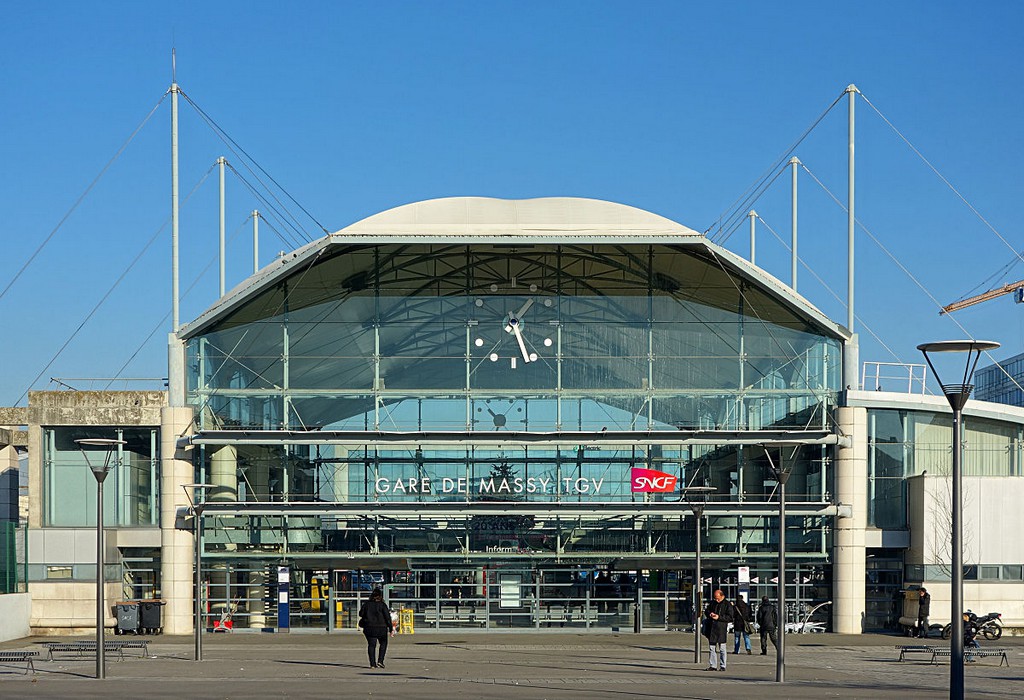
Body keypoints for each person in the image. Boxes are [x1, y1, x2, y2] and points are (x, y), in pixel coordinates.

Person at [358, 588, 395, 669]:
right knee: (383, 643)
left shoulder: (366, 604)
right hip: (382, 628)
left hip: (369, 627)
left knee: (371, 645)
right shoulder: (382, 605)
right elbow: (387, 618)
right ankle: (380, 661)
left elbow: (360, 614)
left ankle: (372, 664)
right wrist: (391, 628)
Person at [703, 589, 734, 671]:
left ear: (722, 596)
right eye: (715, 598)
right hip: (712, 628)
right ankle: (713, 665)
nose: (716, 600)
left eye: (718, 598)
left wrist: (719, 617)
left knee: (722, 648)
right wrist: (710, 614)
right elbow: (707, 611)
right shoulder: (713, 603)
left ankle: (723, 665)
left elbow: (730, 617)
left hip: (721, 628)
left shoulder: (727, 604)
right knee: (711, 648)